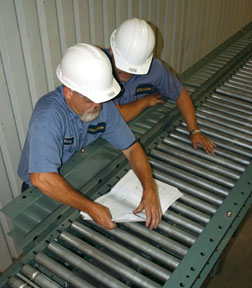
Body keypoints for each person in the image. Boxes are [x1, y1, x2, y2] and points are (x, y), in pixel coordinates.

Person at [18, 43, 162, 230]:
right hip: (39, 193)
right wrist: (89, 207)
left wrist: (150, 187)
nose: (97, 106)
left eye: (101, 98)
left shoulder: (103, 106)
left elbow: (132, 148)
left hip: (72, 178)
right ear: (68, 91)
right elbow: (41, 178)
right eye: (88, 99)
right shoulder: (48, 117)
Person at [104, 18, 215, 154]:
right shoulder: (98, 68)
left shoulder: (155, 69)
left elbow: (180, 94)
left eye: (134, 69)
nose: (127, 72)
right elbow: (116, 117)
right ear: (112, 50)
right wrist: (144, 102)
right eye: (123, 66)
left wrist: (194, 130)